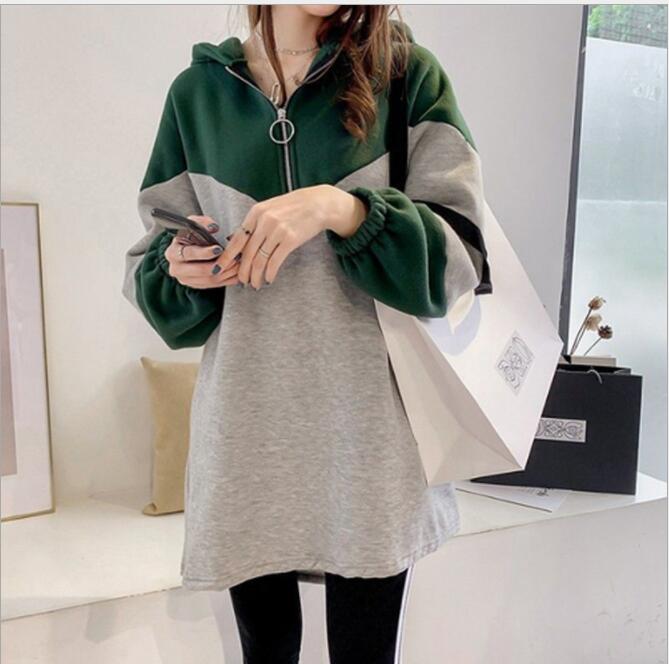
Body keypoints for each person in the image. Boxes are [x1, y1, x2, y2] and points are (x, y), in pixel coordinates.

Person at [122, 5, 487, 663]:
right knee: (264, 653)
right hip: (247, 434)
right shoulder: (197, 95)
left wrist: (341, 208)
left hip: (371, 439)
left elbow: (460, 260)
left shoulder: (406, 76)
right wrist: (180, 266)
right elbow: (151, 267)